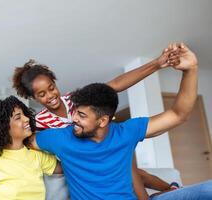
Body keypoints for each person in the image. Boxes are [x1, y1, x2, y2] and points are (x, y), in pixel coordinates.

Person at [0, 44, 180, 199]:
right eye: (42, 94)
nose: (50, 96)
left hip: (102, 149)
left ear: (56, 83)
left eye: (51, 88)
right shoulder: (37, 121)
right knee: (131, 173)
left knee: (135, 170)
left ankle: (171, 190)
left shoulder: (77, 100)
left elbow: (115, 85)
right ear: (33, 98)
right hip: (78, 162)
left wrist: (158, 63)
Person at [26, 43, 212, 199]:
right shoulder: (60, 137)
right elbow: (21, 139)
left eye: (81, 115)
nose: (73, 118)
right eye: (41, 94)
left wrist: (191, 69)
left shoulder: (125, 130)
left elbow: (178, 114)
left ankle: (170, 189)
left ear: (103, 120)